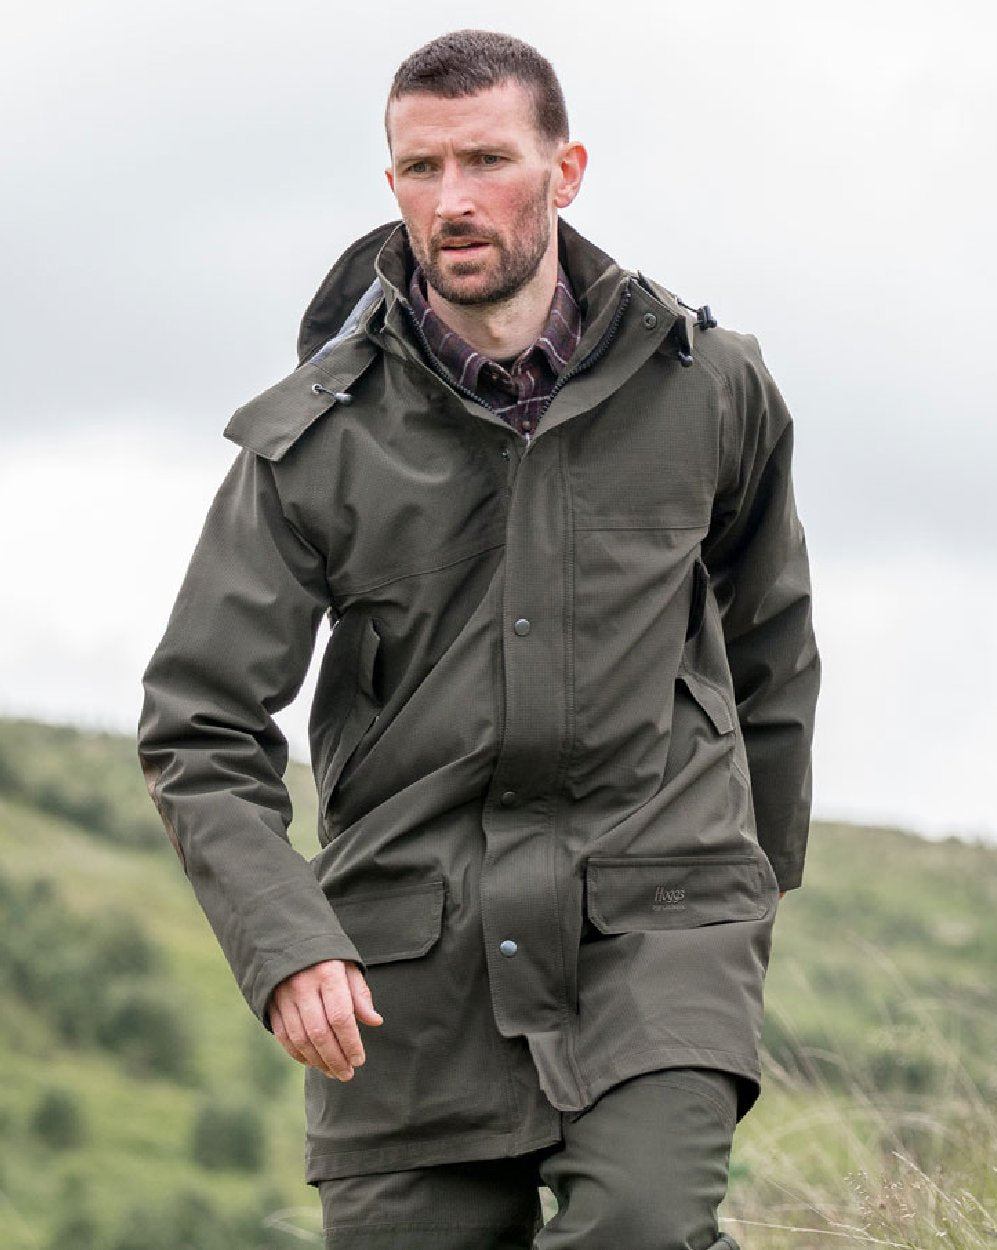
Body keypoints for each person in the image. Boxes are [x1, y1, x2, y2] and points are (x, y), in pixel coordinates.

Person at [138, 29, 820, 1250]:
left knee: (643, 1226)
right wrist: (286, 946)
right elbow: (198, 723)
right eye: (417, 168)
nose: (450, 201)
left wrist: (748, 892)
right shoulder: (311, 445)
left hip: (657, 916)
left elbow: (765, 631)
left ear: (565, 171)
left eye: (486, 160)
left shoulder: (709, 384)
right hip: (405, 964)